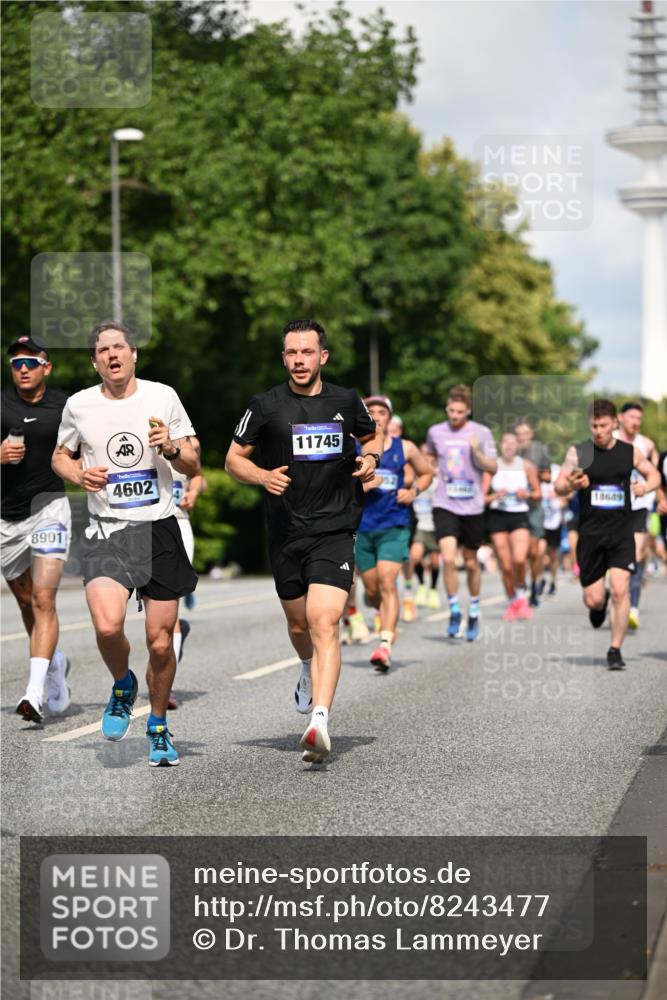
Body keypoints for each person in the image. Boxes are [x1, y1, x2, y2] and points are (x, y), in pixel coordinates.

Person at [225, 320, 382, 763]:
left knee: (324, 620)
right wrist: (261, 476)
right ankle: (305, 668)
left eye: (307, 352)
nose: (299, 360)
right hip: (286, 531)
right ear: (284, 358)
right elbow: (233, 459)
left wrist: (370, 457)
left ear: (322, 357)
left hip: (335, 528)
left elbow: (373, 435)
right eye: (291, 353)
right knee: (299, 626)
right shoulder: (266, 406)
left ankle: (319, 720)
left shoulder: (346, 400)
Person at [52, 322, 199, 766]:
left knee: (160, 643)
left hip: (159, 528)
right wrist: (79, 475)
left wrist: (171, 448)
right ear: (94, 361)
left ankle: (157, 725)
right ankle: (121, 684)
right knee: (108, 626)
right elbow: (60, 455)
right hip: (107, 529)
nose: (112, 355)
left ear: (134, 353)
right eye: (103, 350)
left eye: (119, 347)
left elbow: (194, 461)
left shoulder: (163, 396)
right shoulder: (79, 405)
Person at [555, 399, 660, 670]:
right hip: (590, 534)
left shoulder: (630, 452)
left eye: (603, 425)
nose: (599, 431)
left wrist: (646, 487)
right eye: (593, 426)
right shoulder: (579, 452)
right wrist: (571, 484)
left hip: (621, 532)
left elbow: (655, 475)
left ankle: (615, 649)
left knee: (621, 589)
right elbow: (558, 487)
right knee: (594, 598)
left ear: (614, 423)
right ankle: (598, 607)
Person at [1, 336, 72, 723]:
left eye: (30, 362)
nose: (22, 368)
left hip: (50, 509)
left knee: (44, 600)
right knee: (26, 602)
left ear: (46, 367)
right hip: (6, 519)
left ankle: (34, 692)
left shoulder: (65, 406)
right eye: (16, 363)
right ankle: (55, 662)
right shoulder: (1, 404)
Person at [355, 396, 433, 670]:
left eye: (382, 412)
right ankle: (376, 606)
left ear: (390, 418)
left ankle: (385, 643)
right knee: (373, 588)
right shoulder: (352, 445)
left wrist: (413, 492)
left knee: (388, 581)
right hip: (362, 527)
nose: (376, 416)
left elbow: (426, 473)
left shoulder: (405, 447)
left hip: (394, 524)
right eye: (371, 411)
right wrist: (362, 488)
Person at [426, 384, 497, 641]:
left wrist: (477, 451)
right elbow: (429, 457)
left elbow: (494, 468)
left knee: (470, 561)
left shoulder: (482, 432)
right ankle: (455, 609)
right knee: (447, 557)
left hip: (473, 506)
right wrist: (430, 468)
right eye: (451, 410)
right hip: (445, 503)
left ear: (468, 411)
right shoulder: (435, 431)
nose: (454, 416)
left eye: (459, 412)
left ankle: (474, 610)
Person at [483, 431, 540, 620]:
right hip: (498, 516)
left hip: (519, 515)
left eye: (512, 443)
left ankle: (521, 595)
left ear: (517, 446)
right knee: (506, 566)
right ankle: (513, 601)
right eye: (505, 442)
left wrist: (527, 494)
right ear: (500, 445)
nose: (509, 446)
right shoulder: (492, 467)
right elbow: (482, 498)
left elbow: (538, 494)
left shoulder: (526, 466)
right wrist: (495, 495)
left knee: (519, 559)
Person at [614, 402, 658, 629]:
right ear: (621, 418)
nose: (636, 422)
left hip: (639, 505)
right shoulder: (607, 439)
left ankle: (632, 606)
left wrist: (650, 490)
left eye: (639, 419)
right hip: (611, 508)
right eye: (632, 417)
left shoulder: (647, 445)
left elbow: (655, 475)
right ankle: (613, 593)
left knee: (636, 554)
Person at [168, 448, 206, 709]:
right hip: (133, 525)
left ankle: (165, 684)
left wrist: (193, 491)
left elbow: (197, 475)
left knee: (167, 608)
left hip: (177, 523)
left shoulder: (187, 439)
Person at [514, 420, 552, 607]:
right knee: (519, 553)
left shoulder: (540, 450)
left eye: (525, 434)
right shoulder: (509, 450)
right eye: (519, 434)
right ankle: (521, 587)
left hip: (534, 506)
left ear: (531, 434)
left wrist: (532, 474)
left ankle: (535, 583)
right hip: (514, 506)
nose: (522, 438)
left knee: (534, 551)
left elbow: (548, 476)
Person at [405, 445, 441, 612]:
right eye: (423, 453)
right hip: (419, 522)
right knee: (415, 556)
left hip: (435, 524)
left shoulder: (441, 475)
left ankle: (433, 589)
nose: (426, 456)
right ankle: (420, 584)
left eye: (429, 453)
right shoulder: (415, 473)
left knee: (434, 561)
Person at [541, 463, 565, 596]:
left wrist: (557, 497)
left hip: (555, 521)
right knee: (539, 552)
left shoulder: (557, 474)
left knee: (553, 554)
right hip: (540, 521)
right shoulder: (536, 476)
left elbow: (567, 498)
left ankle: (553, 581)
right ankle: (541, 579)